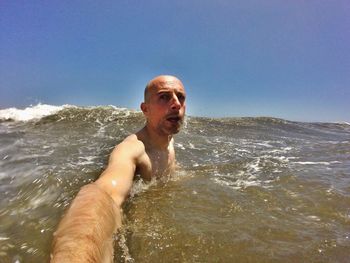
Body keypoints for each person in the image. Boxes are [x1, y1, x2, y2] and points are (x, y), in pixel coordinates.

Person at [50, 75, 186, 262]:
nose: (176, 104)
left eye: (181, 97)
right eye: (164, 97)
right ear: (145, 109)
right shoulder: (132, 149)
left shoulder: (168, 138)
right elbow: (104, 193)